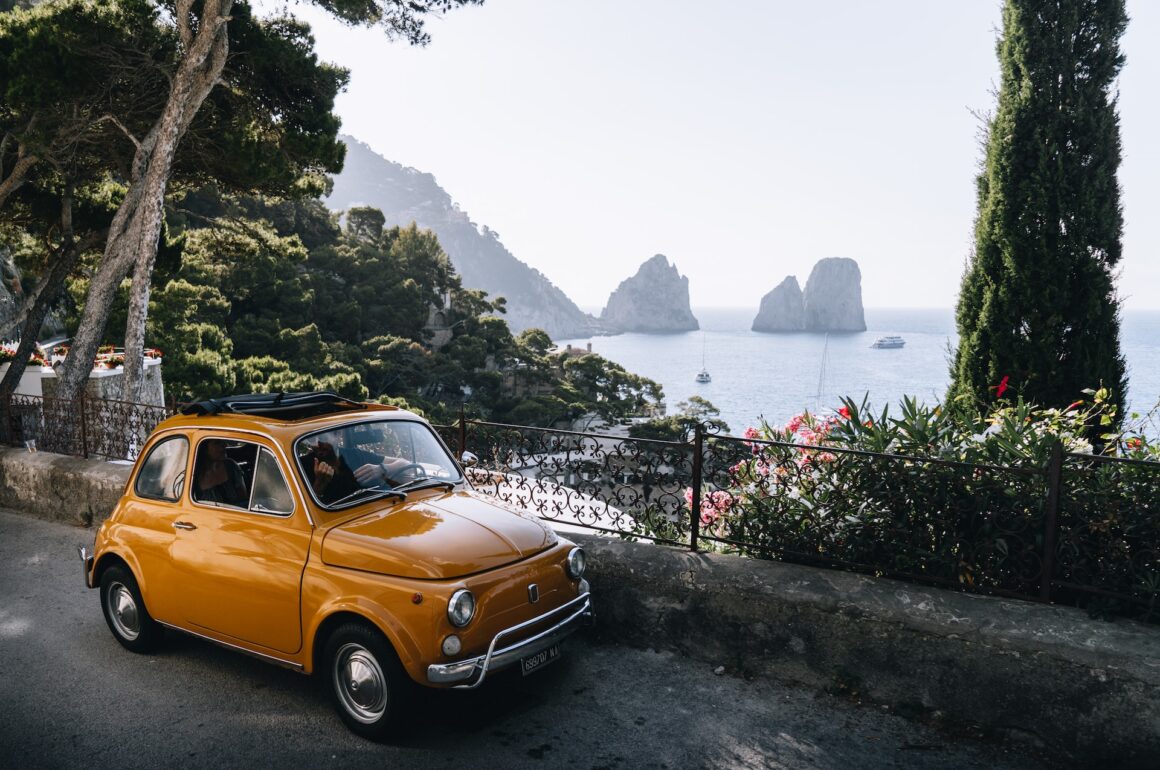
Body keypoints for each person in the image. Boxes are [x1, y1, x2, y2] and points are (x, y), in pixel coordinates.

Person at [306, 427, 417, 504]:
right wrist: (319, 486)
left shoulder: (355, 455)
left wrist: (382, 469)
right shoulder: (302, 465)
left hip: (382, 506)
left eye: (322, 438)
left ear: (337, 434)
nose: (316, 444)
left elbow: (406, 465)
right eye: (311, 439)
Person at [195, 439, 248, 506]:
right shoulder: (194, 475)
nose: (224, 445)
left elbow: (243, 499)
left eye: (223, 442)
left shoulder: (231, 466)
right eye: (217, 443)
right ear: (205, 450)